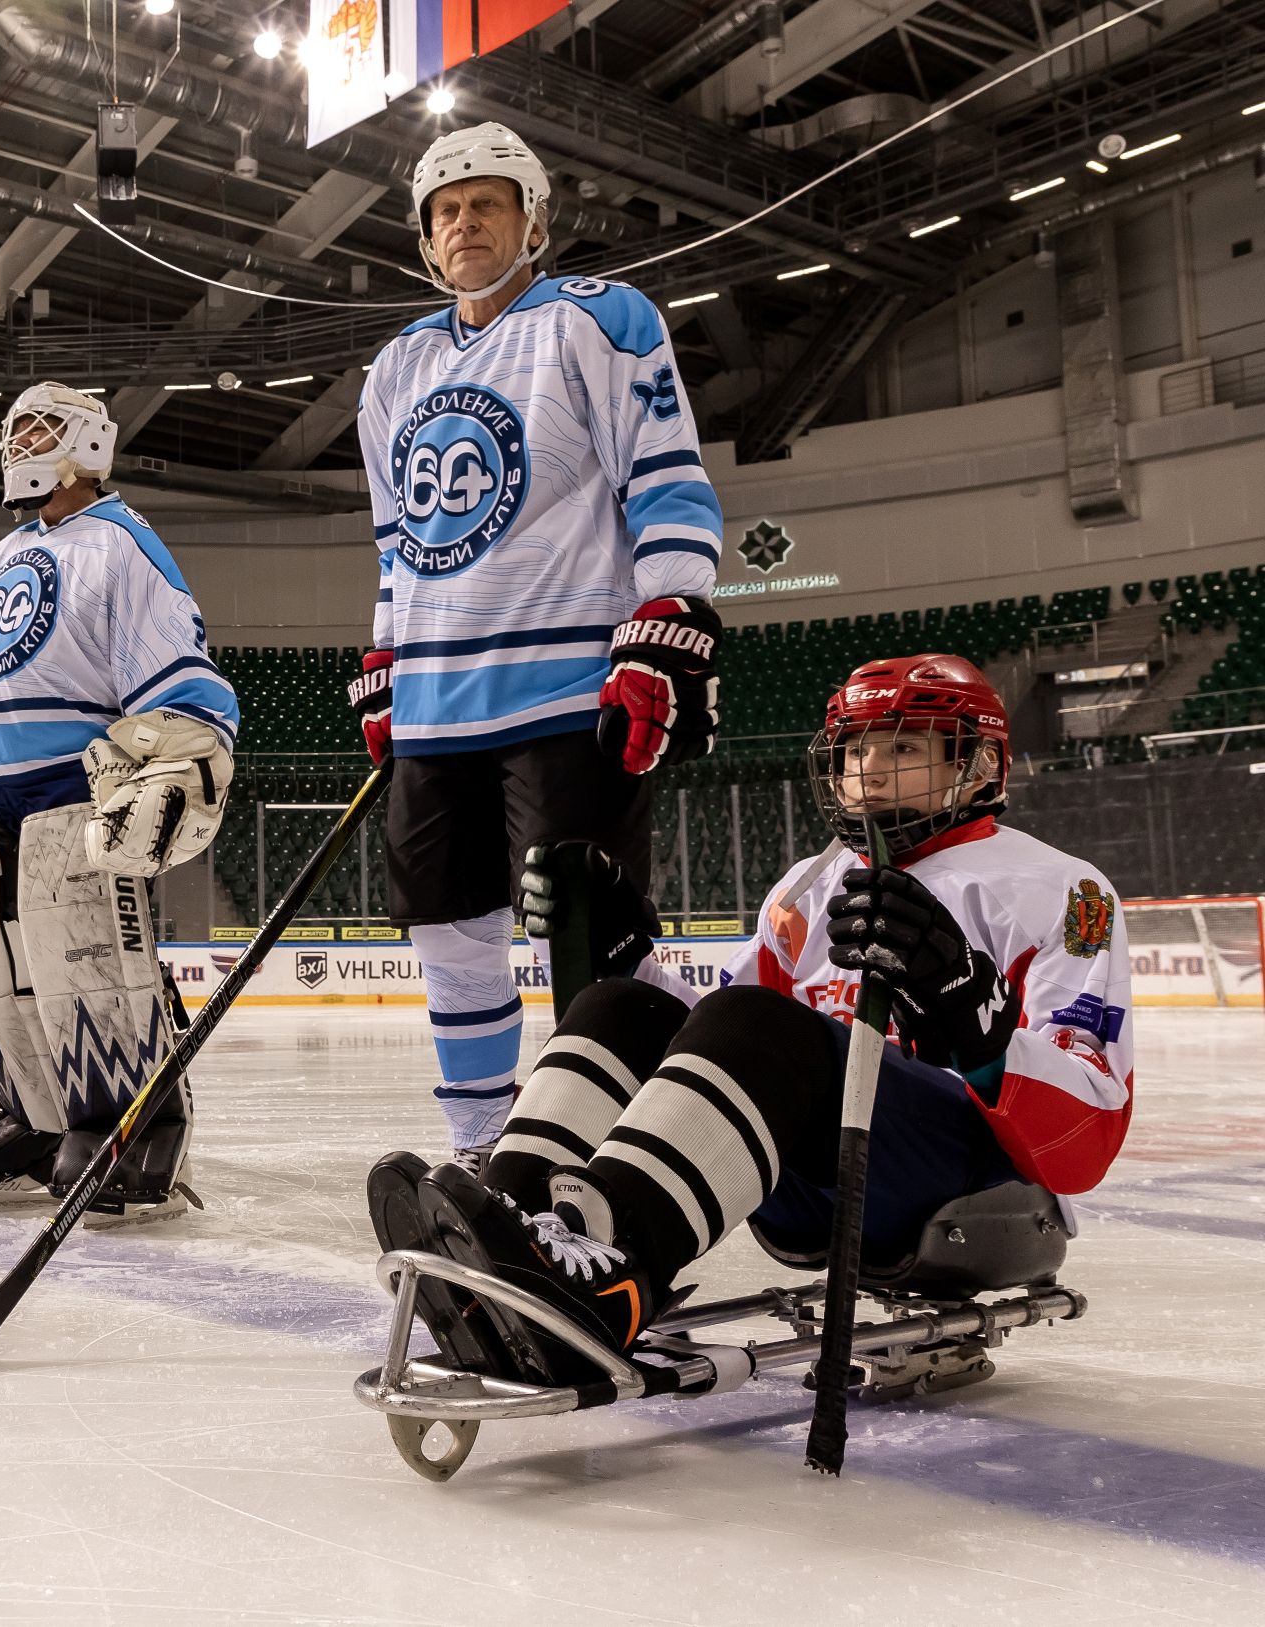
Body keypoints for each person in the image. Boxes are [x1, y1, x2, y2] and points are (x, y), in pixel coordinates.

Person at [367, 655, 1133, 1381]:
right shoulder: (808, 886)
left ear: (980, 766)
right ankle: (509, 1237)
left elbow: (1086, 1133)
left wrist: (971, 1009)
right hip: (825, 1172)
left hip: (971, 1184)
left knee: (766, 1023)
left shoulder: (1059, 889)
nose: (869, 768)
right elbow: (722, 1038)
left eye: (904, 746)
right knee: (621, 1008)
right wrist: (624, 961)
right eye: (856, 748)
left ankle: (613, 1272)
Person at [352, 122, 725, 1174]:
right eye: (445, 210)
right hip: (435, 703)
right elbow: (395, 540)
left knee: (586, 944)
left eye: (485, 203)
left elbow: (664, 474)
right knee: (449, 938)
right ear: (426, 241)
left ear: (533, 220)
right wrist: (385, 655)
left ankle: (603, 1156)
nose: (463, 223)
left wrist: (671, 615)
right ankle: (480, 1149)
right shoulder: (396, 367)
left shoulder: (597, 318)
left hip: (566, 688)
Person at [0, 381, 237, 1225]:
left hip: (72, 785)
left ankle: (139, 1115)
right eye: (14, 429)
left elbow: (178, 671)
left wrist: (185, 744)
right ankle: (39, 1111)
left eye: (43, 426)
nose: (21, 441)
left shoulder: (122, 541)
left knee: (79, 956)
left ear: (91, 442)